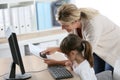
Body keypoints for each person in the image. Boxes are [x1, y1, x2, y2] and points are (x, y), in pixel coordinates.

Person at [43, 3, 120, 74]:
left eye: (65, 25)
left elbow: (81, 57)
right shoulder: (74, 24)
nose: (62, 28)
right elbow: (73, 48)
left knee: (109, 75)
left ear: (75, 21)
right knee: (98, 74)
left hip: (114, 49)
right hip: (98, 49)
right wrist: (57, 49)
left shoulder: (92, 26)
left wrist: (56, 62)